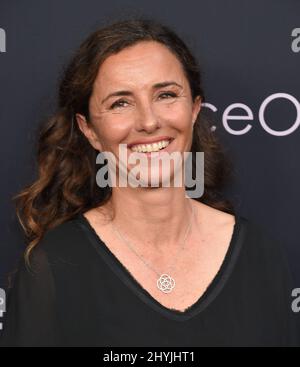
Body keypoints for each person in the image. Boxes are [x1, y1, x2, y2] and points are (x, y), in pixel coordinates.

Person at [0, 17, 299, 347]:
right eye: (121, 103)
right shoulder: (52, 266)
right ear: (88, 130)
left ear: (195, 108)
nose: (148, 121)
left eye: (166, 95)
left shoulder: (261, 256)